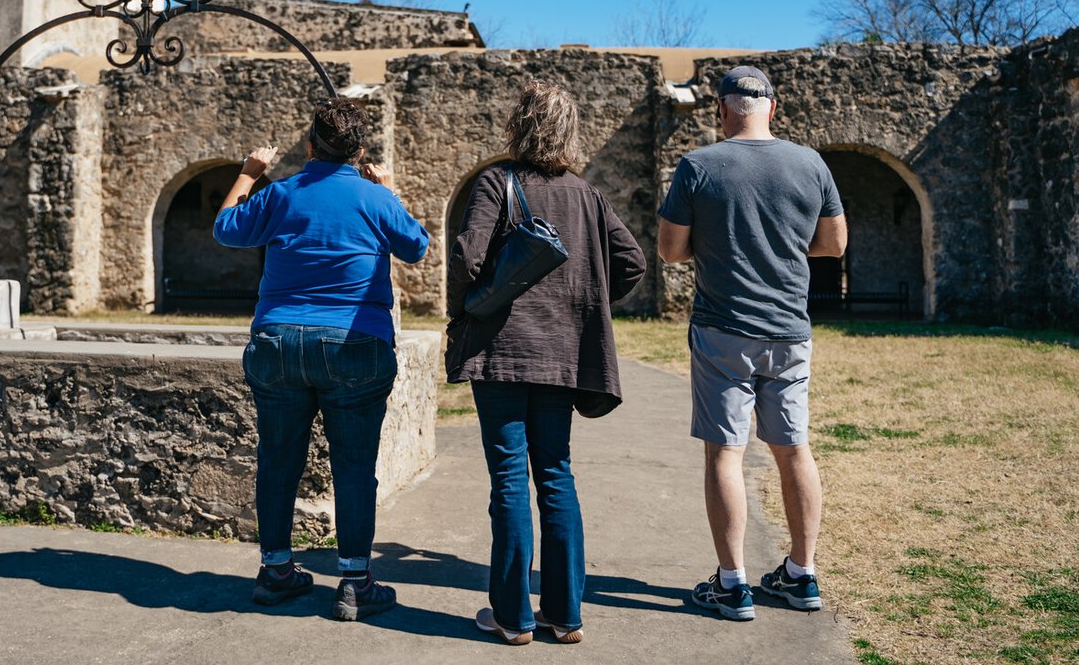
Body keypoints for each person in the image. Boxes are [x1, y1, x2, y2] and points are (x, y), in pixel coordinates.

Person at [446, 80, 647, 645]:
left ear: (519, 125)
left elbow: (467, 257)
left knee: (509, 479)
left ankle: (513, 618)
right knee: (555, 475)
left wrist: (467, 303)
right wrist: (583, 302)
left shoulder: (497, 182)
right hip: (562, 357)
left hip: (502, 354)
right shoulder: (588, 195)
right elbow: (631, 262)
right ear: (570, 131)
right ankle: (565, 615)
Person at [214, 97, 430, 621]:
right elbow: (417, 246)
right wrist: (386, 188)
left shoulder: (282, 193)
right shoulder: (373, 197)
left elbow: (226, 228)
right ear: (359, 152)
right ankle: (354, 582)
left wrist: (249, 173)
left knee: (278, 456)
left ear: (310, 145)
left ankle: (276, 571)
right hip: (356, 343)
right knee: (354, 466)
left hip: (279, 342)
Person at [656, 65, 847, 622]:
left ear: (721, 110)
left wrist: (724, 245)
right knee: (794, 450)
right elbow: (834, 244)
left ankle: (734, 583)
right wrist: (781, 247)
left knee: (726, 453)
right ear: (773, 106)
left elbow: (670, 250)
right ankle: (802, 575)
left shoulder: (698, 166)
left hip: (722, 329)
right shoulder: (810, 162)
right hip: (789, 329)